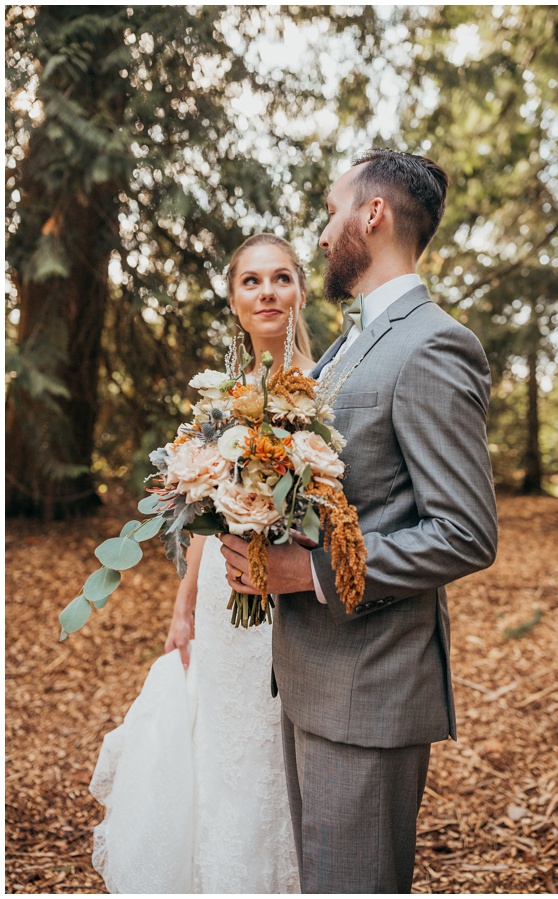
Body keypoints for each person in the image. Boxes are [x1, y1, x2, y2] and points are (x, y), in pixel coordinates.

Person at [219, 149, 499, 892]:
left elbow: (465, 531)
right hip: (311, 673)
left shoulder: (434, 342)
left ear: (372, 215)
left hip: (369, 693)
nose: (320, 234)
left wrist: (307, 570)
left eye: (332, 209)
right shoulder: (350, 342)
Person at [90, 234, 315, 892]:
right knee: (224, 744)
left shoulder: (326, 387)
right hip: (223, 592)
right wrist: (183, 605)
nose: (267, 291)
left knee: (281, 746)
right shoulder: (219, 401)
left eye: (280, 278)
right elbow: (197, 515)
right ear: (234, 300)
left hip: (292, 587)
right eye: (252, 281)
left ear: (299, 290)